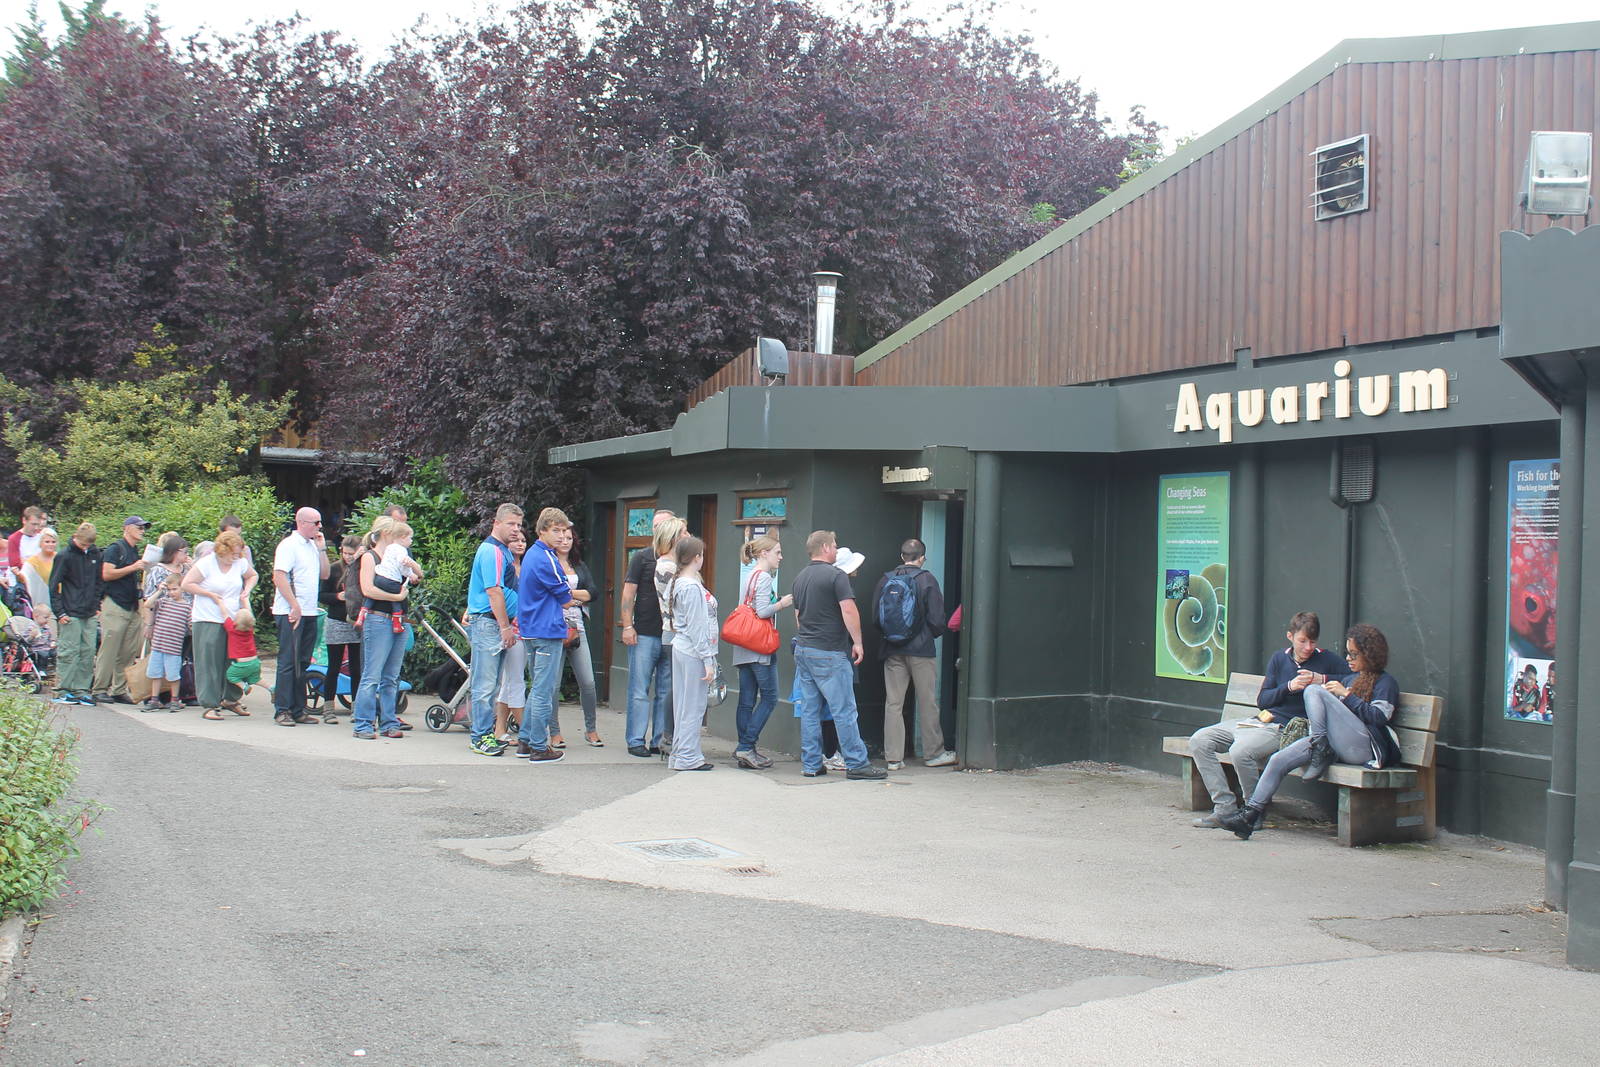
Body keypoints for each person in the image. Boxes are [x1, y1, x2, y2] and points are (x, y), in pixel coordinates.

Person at [1220, 623, 1402, 840]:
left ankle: (1319, 745)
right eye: (1348, 653)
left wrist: (1346, 695)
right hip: (1334, 744)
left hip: (1363, 749)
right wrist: (1330, 688)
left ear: (1369, 655)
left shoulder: (1386, 682)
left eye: (1354, 654)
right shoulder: (1350, 679)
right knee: (1278, 760)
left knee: (1314, 690)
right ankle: (1249, 816)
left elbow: (1379, 717)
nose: (1348, 659)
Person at [1188, 611, 1349, 829]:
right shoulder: (1279, 658)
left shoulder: (1327, 660)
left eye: (1313, 642)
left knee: (1240, 752)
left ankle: (1252, 813)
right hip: (1259, 721)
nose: (1308, 647)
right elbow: (1263, 700)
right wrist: (1289, 687)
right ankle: (1225, 808)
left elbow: (1354, 678)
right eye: (1302, 641)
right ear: (1290, 636)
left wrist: (1322, 679)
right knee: (1199, 740)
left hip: (1285, 728)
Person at [791, 530, 886, 780]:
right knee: (844, 710)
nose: (836, 549)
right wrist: (858, 642)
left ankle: (811, 764)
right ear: (824, 548)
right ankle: (857, 763)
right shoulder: (836, 576)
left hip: (804, 649)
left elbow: (798, 616)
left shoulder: (800, 577)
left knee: (810, 710)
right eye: (834, 545)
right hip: (830, 651)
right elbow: (849, 610)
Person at [871, 537, 953, 770]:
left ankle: (893, 758)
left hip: (892, 649)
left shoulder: (886, 579)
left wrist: (893, 636)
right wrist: (926, 635)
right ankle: (934, 754)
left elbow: (876, 618)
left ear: (902, 556)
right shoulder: (927, 579)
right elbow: (937, 620)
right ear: (922, 558)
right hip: (921, 650)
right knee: (927, 701)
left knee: (893, 703)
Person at [515, 507, 577, 764]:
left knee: (537, 688)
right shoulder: (546, 558)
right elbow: (566, 598)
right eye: (556, 531)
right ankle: (539, 747)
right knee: (544, 690)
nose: (561, 536)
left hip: (531, 629)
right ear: (542, 531)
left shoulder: (532, 554)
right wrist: (575, 596)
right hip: (546, 630)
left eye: (564, 531)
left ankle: (526, 741)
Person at [465, 503, 525, 756]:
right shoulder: (492, 551)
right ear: (496, 523)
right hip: (488, 623)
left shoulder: (503, 551)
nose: (516, 529)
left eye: (519, 525)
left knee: (491, 684)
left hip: (493, 622)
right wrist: (505, 626)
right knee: (484, 684)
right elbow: (493, 591)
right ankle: (479, 737)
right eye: (511, 524)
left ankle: (486, 734)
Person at [620, 511, 680, 758]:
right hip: (644, 632)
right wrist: (627, 626)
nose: (658, 529)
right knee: (639, 689)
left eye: (663, 525)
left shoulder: (680, 559)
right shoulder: (642, 557)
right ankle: (635, 740)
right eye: (655, 525)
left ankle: (659, 741)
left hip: (670, 634)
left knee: (665, 690)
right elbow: (628, 593)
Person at [731, 536, 792, 770]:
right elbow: (763, 611)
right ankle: (746, 746)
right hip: (759, 646)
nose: (781, 557)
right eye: (777, 552)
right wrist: (783, 603)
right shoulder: (764, 577)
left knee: (746, 700)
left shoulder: (750, 575)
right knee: (770, 697)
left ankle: (745, 749)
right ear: (764, 553)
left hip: (743, 643)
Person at [182, 530, 257, 718]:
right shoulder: (206, 563)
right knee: (210, 662)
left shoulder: (240, 563)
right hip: (208, 618)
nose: (236, 557)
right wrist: (209, 594)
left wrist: (246, 590)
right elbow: (187, 584)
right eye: (233, 553)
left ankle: (231, 699)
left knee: (233, 660)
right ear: (223, 550)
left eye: (238, 553)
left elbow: (252, 575)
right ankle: (210, 704)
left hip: (233, 618)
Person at [352, 519, 412, 740]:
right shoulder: (370, 557)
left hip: (400, 619)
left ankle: (388, 721)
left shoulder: (397, 555)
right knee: (372, 675)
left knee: (391, 676)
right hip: (379, 619)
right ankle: (363, 723)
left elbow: (414, 577)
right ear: (387, 533)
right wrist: (396, 597)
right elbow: (368, 589)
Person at [271, 507, 330, 727]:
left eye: (320, 522)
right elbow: (279, 576)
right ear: (302, 523)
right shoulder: (289, 545)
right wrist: (294, 605)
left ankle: (298, 708)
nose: (319, 526)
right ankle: (282, 709)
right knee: (288, 661)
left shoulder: (312, 546)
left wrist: (322, 549)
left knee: (303, 661)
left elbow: (325, 574)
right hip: (290, 611)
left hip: (310, 611)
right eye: (316, 523)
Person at [666, 536, 718, 771]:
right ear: (697, 558)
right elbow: (698, 627)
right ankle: (688, 756)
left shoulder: (678, 582)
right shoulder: (692, 586)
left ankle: (680, 754)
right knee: (694, 706)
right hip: (693, 651)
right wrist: (708, 659)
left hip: (681, 647)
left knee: (683, 704)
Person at [90, 516, 150, 704]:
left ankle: (119, 689)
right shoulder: (115, 549)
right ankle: (99, 688)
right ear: (127, 528)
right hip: (115, 604)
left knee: (128, 651)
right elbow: (106, 574)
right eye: (139, 527)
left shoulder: (133, 550)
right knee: (109, 649)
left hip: (131, 605)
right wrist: (133, 567)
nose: (142, 531)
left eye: (143, 528)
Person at [551, 526, 602, 748]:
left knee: (588, 682)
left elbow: (593, 592)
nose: (565, 541)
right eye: (561, 537)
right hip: (553, 628)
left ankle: (591, 729)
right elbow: (547, 592)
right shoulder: (548, 563)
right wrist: (576, 596)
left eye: (569, 537)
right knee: (553, 685)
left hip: (577, 627)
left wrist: (566, 593)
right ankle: (554, 732)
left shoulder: (579, 565)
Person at [48, 522, 104, 706]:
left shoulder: (95, 554)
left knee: (88, 652)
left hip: (89, 612)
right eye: (82, 544)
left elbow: (98, 581)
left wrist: (97, 604)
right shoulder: (64, 555)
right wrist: (59, 612)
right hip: (70, 612)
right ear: (76, 538)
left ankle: (81, 689)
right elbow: (54, 585)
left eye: (88, 545)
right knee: (69, 652)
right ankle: (63, 689)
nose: (85, 547)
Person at [318, 535, 365, 723]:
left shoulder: (363, 568)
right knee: (334, 666)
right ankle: (328, 708)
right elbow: (322, 595)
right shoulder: (334, 569)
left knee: (356, 668)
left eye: (351, 554)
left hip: (356, 622)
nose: (348, 557)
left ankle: (356, 707)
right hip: (336, 621)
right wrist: (337, 596)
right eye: (345, 553)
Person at [493, 528, 528, 744]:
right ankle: (527, 733)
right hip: (510, 627)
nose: (520, 544)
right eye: (516, 540)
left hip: (526, 628)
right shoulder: (504, 567)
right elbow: (492, 592)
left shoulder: (528, 567)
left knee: (510, 679)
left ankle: (499, 728)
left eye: (524, 540)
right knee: (515, 678)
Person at [142, 572, 191, 712]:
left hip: (173, 648)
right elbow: (147, 604)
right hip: (158, 646)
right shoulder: (162, 602)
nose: (171, 593)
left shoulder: (187, 607)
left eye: (175, 589)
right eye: (169, 590)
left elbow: (191, 626)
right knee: (155, 674)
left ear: (182, 588)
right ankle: (154, 699)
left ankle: (174, 699)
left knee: (173, 675)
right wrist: (159, 592)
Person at [220, 609, 262, 712]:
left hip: (242, 664)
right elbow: (249, 615)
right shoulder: (251, 630)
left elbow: (225, 614)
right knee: (256, 679)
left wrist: (220, 603)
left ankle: (244, 686)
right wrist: (245, 602)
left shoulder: (232, 629)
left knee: (231, 675)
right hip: (255, 662)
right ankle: (270, 687)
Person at [21, 527, 58, 639]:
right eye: (47, 541)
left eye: (53, 542)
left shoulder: (59, 558)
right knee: (49, 636)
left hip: (59, 601)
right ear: (40, 543)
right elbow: (24, 577)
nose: (50, 544)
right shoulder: (33, 562)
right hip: (43, 605)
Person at [7, 506, 46, 572]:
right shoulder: (14, 538)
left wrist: (26, 561)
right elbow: (15, 564)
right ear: (24, 520)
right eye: (33, 524)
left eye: (38, 524)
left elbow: (48, 560)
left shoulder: (42, 536)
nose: (36, 528)